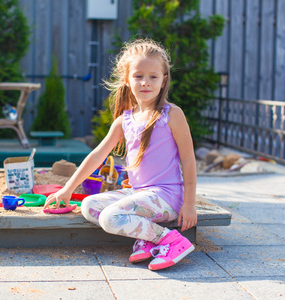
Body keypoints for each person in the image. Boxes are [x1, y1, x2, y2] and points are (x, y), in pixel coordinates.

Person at [43, 39, 197, 271]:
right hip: (139, 194)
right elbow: (97, 157)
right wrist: (67, 189)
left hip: (167, 196)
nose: (145, 82)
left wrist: (189, 204)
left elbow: (188, 159)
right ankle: (147, 238)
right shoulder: (124, 120)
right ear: (127, 79)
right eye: (138, 76)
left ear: (164, 79)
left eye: (153, 77)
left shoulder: (171, 114)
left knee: (110, 217)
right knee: (89, 206)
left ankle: (171, 240)